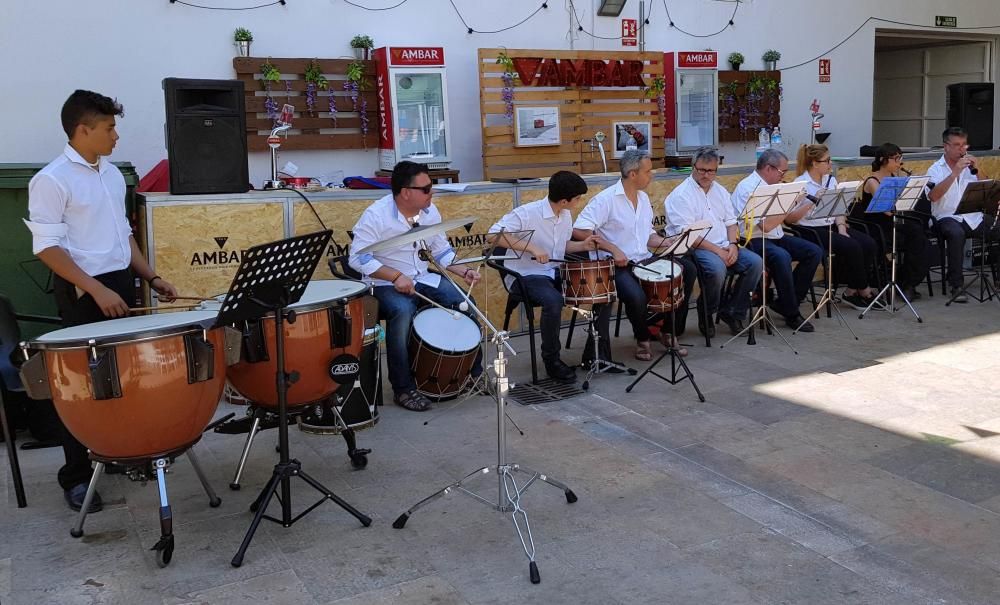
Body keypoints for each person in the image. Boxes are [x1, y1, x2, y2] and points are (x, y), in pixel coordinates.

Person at [25, 89, 179, 512]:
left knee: (123, 376)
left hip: (118, 281)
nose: (116, 136)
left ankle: (114, 452)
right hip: (82, 288)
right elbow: (48, 249)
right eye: (109, 128)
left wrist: (151, 275)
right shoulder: (52, 179)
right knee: (82, 386)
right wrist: (96, 289)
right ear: (82, 130)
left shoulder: (111, 175)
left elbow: (122, 235)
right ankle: (75, 477)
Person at [349, 161, 482, 412]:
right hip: (383, 282)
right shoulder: (376, 216)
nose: (432, 193)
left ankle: (471, 374)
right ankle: (403, 388)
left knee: (465, 303)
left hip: (421, 276)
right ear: (405, 192)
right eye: (427, 189)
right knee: (402, 313)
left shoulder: (430, 212)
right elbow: (357, 259)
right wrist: (395, 276)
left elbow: (441, 251)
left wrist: (462, 270)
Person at [572, 150, 695, 362]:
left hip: (643, 258)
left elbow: (647, 236)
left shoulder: (644, 197)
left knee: (687, 270)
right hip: (616, 264)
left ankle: (668, 331)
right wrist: (612, 248)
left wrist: (668, 242)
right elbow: (580, 230)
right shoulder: (606, 199)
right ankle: (643, 339)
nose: (652, 175)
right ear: (632, 174)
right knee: (635, 296)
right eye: (648, 171)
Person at [487, 171, 603, 383]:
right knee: (553, 301)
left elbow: (561, 247)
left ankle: (595, 354)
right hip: (525, 275)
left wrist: (583, 245)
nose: (579, 202)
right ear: (565, 200)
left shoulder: (565, 214)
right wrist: (531, 247)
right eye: (577, 199)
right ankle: (551, 360)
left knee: (599, 289)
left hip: (552, 271)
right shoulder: (527, 213)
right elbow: (493, 235)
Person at [665, 147, 763, 337]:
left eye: (711, 171)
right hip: (697, 248)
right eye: (702, 170)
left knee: (756, 263)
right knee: (717, 270)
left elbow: (731, 222)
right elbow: (689, 236)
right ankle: (706, 311)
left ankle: (733, 311)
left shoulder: (720, 191)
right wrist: (719, 251)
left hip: (725, 244)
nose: (706, 175)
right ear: (693, 167)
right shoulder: (681, 195)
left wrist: (733, 244)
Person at [730, 149, 822, 332]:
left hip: (776, 236)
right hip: (752, 239)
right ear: (768, 168)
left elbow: (780, 223)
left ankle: (786, 302)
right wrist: (792, 201)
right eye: (782, 172)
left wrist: (798, 200)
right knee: (782, 257)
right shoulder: (748, 188)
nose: (784, 176)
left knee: (814, 251)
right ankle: (792, 313)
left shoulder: (775, 185)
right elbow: (766, 226)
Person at [791, 144, 879, 309]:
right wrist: (811, 201)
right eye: (827, 161)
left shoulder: (830, 180)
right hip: (811, 230)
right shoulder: (800, 183)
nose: (830, 164)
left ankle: (851, 290)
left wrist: (842, 229)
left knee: (869, 243)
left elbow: (840, 209)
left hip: (832, 225)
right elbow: (792, 219)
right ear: (815, 163)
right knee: (852, 247)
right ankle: (864, 290)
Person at [926, 127, 992, 303]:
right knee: (956, 234)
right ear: (945, 146)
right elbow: (933, 196)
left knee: (997, 226)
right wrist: (954, 172)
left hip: (971, 216)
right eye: (957, 145)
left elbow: (987, 187)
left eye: (964, 145)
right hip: (945, 217)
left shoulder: (969, 166)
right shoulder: (935, 169)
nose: (962, 149)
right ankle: (956, 284)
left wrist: (977, 169)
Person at [856, 143, 929, 302]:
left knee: (919, 235)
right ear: (883, 160)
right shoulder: (872, 181)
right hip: (877, 226)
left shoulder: (894, 178)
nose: (899, 163)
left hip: (893, 222)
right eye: (896, 159)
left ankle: (908, 283)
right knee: (911, 235)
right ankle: (898, 281)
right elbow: (887, 209)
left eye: (900, 158)